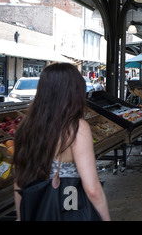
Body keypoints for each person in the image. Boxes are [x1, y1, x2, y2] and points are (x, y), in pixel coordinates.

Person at [12, 63, 111, 221]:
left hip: (38, 212)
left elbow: (19, 182)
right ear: (73, 91)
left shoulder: (25, 127)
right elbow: (92, 189)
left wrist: (21, 217)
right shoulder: (75, 128)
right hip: (68, 211)